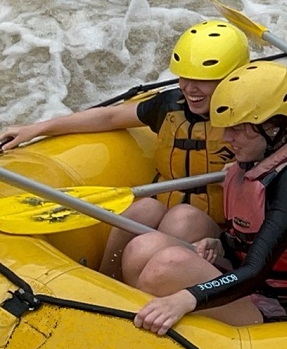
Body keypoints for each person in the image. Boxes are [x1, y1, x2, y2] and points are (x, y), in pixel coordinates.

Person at [0, 20, 250, 278]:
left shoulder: (253, 121)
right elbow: (108, 118)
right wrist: (37, 129)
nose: (190, 88)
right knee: (145, 209)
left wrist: (244, 174)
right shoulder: (170, 105)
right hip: (168, 209)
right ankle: (106, 280)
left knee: (183, 218)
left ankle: (146, 292)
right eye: (184, 76)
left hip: (221, 236)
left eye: (204, 80)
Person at [129, 62, 287, 335]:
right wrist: (221, 244)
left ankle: (138, 331)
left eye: (237, 129)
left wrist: (185, 299)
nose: (226, 138)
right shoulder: (259, 158)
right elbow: (251, 237)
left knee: (169, 266)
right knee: (141, 247)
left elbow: (256, 269)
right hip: (252, 282)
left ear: (272, 126)